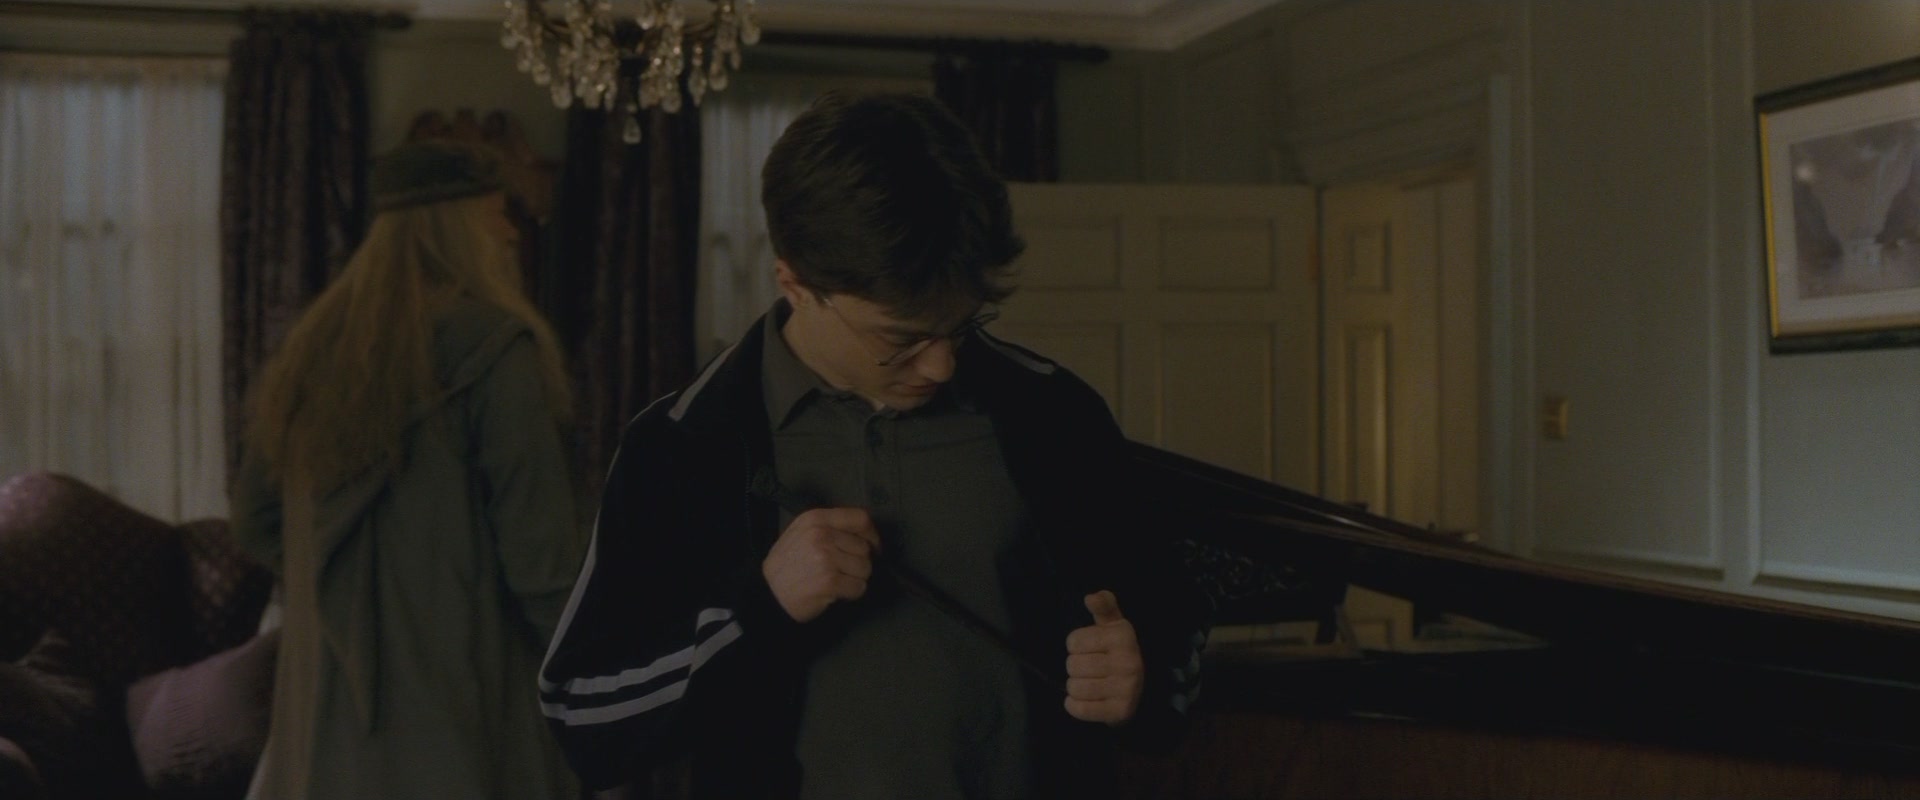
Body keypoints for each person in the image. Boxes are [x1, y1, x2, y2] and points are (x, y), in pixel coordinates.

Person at [538, 91, 1209, 799]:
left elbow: (1176, 633)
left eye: (961, 325)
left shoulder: (1055, 415)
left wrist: (1142, 677)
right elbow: (582, 716)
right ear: (795, 283)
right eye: (901, 340)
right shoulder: (680, 447)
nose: (941, 365)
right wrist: (762, 607)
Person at [230, 140, 586, 799]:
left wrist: (349, 581)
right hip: (464, 703)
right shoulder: (497, 351)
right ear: (457, 227)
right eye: (496, 213)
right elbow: (541, 562)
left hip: (331, 717)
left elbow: (255, 520)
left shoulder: (313, 352)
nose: (511, 232)